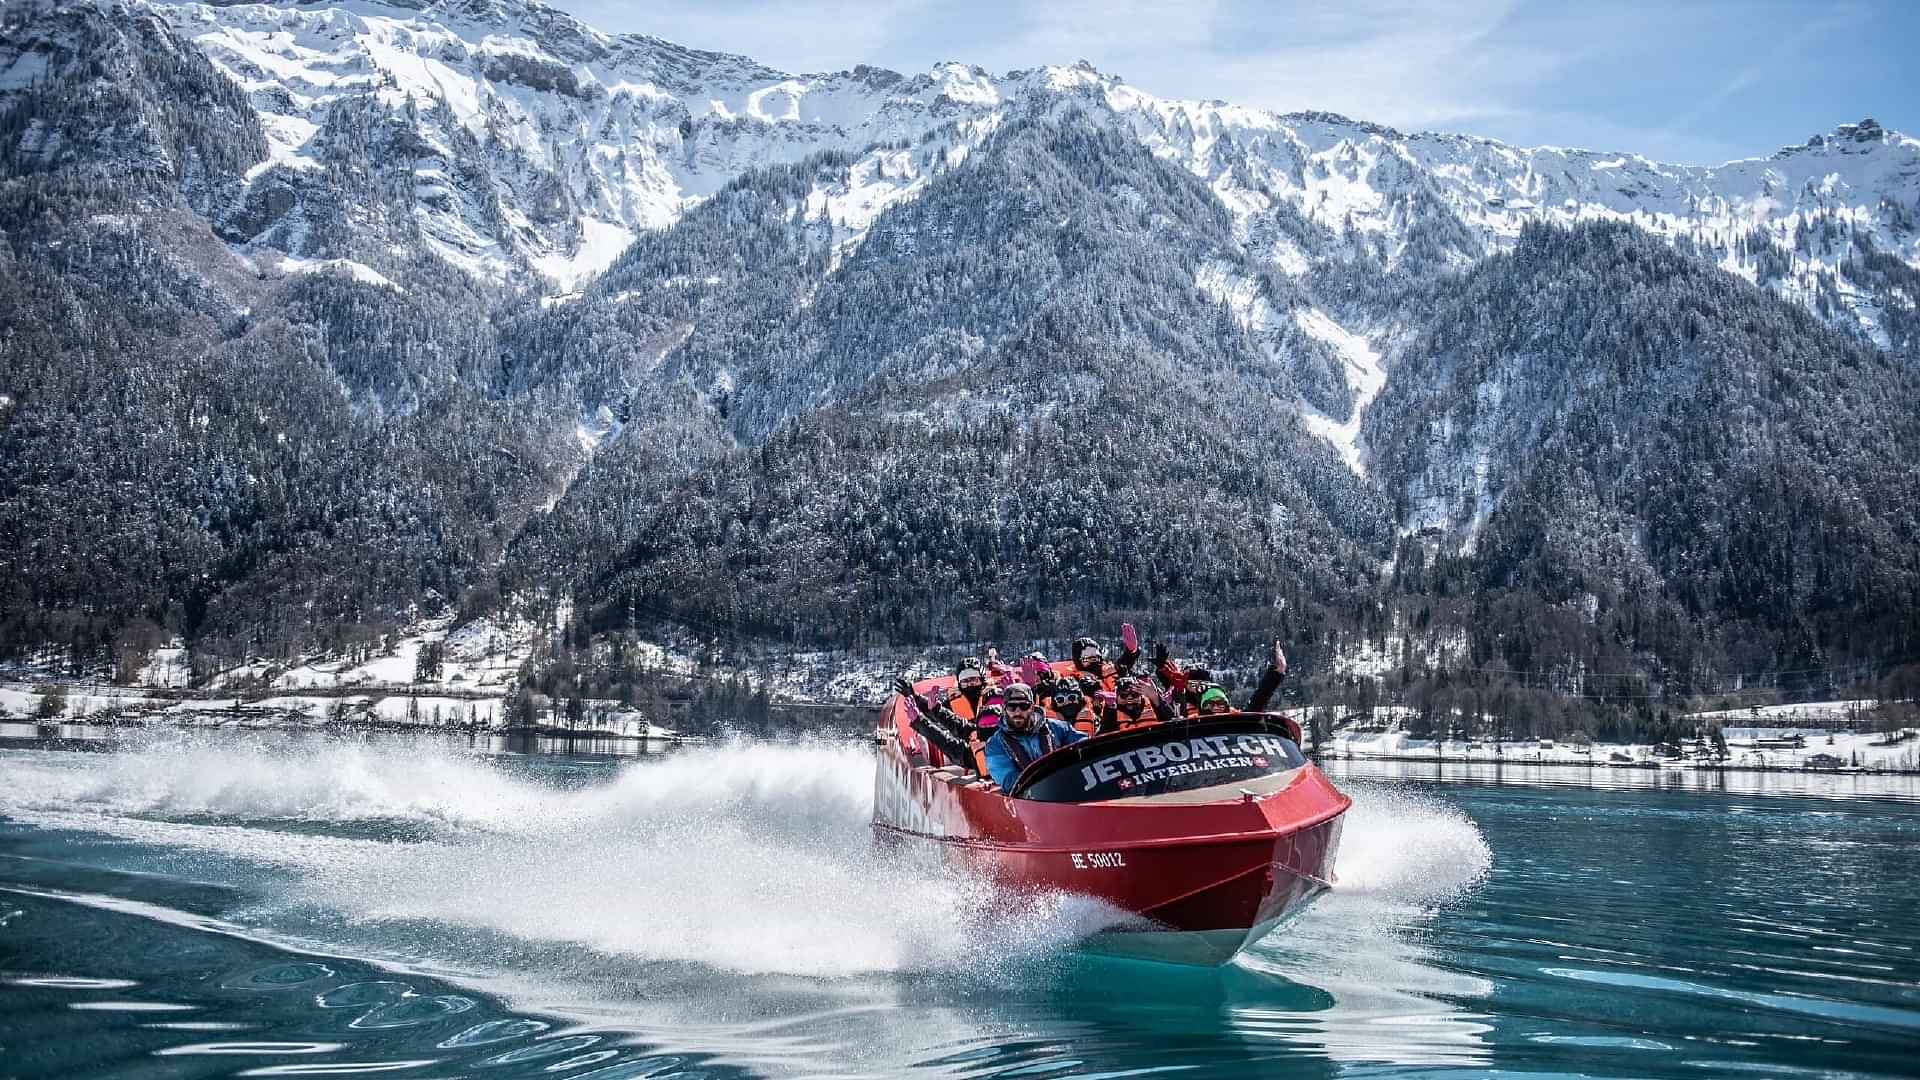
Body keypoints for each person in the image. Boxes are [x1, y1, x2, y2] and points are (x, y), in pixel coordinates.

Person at [982, 682, 1084, 790]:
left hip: (1069, 788)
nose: (1018, 712)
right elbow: (1008, 780)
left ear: (1032, 707)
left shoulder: (1059, 728)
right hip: (1031, 798)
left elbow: (1084, 746)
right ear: (1004, 708)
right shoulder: (994, 745)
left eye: (1024, 706)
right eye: (1012, 706)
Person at [1095, 674, 1175, 733]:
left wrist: (1156, 698)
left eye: (1134, 695)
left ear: (1141, 695)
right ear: (1117, 697)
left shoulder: (1154, 706)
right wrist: (1109, 709)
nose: (1129, 699)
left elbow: (1172, 720)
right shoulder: (1112, 713)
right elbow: (1103, 735)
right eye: (1124, 696)